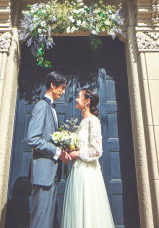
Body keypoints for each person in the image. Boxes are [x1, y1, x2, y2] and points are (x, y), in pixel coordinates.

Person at [61, 88, 115, 228]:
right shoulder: (81, 122)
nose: (76, 99)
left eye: (79, 96)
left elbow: (97, 151)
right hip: (77, 171)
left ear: (87, 101)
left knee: (87, 209)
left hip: (87, 173)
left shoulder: (93, 121)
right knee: (77, 209)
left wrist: (77, 154)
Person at [27, 71, 72, 228]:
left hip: (52, 174)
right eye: (62, 87)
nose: (64, 91)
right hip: (43, 174)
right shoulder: (42, 106)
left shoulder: (52, 108)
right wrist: (57, 152)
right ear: (52, 85)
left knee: (46, 221)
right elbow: (32, 138)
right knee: (40, 221)